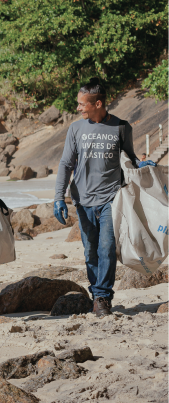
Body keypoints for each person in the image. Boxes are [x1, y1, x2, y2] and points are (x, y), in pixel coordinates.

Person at [53, 78, 156, 317]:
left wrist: (142, 165)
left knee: (107, 248)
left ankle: (102, 298)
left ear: (97, 103)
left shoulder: (121, 127)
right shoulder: (76, 129)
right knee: (90, 251)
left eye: (82, 104)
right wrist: (59, 197)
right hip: (82, 199)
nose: (78, 108)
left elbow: (129, 157)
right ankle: (96, 292)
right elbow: (66, 163)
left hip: (112, 198)